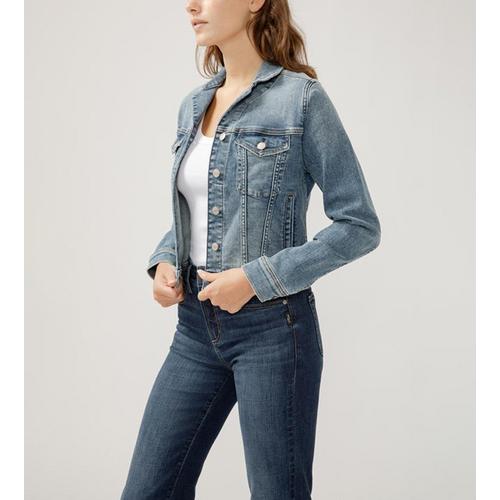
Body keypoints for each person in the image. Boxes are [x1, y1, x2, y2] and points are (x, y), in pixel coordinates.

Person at [120, 1, 381, 498]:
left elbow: (359, 224)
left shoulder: (301, 100)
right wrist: (165, 259)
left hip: (274, 331)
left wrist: (255, 279)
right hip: (195, 330)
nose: (191, 5)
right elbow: (201, 211)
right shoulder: (193, 106)